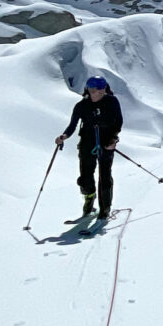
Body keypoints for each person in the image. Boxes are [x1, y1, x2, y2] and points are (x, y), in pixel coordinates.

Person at [55, 75, 122, 222]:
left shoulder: (112, 102)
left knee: (104, 175)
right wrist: (63, 136)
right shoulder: (81, 106)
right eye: (93, 90)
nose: (96, 93)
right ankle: (89, 196)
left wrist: (113, 139)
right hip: (87, 142)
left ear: (105, 89)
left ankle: (105, 209)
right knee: (85, 176)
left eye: (100, 90)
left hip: (106, 141)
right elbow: (72, 125)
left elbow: (118, 122)